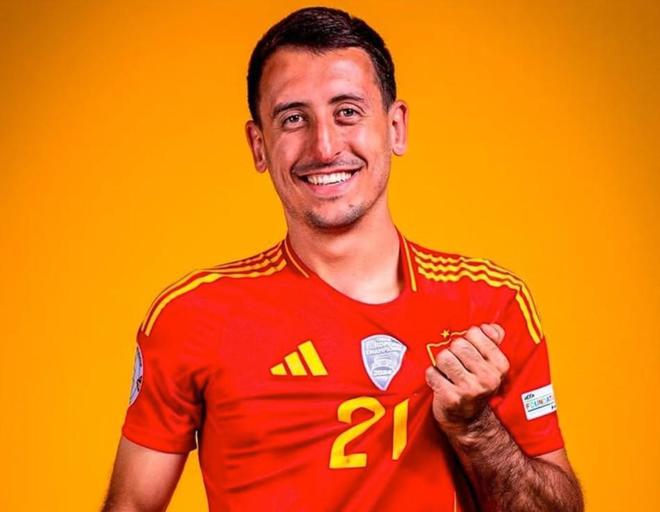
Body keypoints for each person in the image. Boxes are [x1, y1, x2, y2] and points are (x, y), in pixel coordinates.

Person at [103, 7, 584, 512]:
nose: (325, 145)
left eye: (348, 111)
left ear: (395, 127)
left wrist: (475, 426)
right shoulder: (191, 316)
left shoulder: (491, 307)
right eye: (293, 118)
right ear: (259, 145)